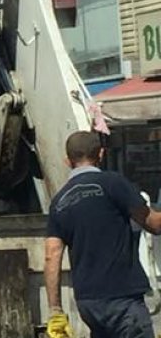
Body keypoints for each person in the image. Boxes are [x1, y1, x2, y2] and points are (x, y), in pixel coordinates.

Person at [44, 131, 161, 338]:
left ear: (67, 161)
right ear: (101, 153)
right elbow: (154, 224)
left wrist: (55, 311)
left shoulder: (58, 202)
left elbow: (52, 255)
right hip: (122, 298)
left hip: (88, 304)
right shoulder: (113, 183)